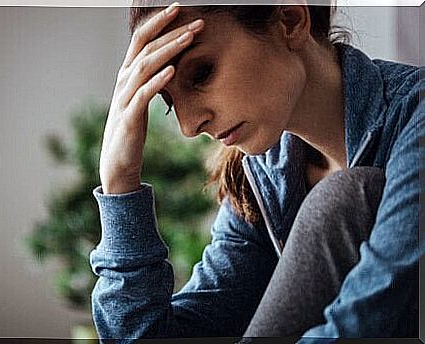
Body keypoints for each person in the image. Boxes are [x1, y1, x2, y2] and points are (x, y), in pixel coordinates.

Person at [89, 1, 423, 342]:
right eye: (169, 102)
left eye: (201, 73)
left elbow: (378, 309)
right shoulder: (262, 178)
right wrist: (120, 184)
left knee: (344, 196)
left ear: (291, 20)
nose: (189, 126)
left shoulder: (417, 116)